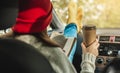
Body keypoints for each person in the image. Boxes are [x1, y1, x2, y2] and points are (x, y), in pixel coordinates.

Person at [0, 0, 99, 73]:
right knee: (67, 47)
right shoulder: (53, 54)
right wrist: (88, 59)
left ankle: (72, 24)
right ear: (47, 20)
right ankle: (73, 24)